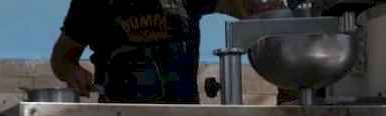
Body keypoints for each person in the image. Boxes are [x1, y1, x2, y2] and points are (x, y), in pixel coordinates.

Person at [51, 0, 285, 103]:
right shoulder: (92, 3)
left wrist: (288, 89)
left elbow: (260, 14)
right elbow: (62, 59)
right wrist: (72, 72)